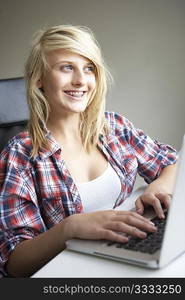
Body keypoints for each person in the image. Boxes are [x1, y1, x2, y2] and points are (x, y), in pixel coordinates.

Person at [0, 24, 177, 277]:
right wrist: (68, 228)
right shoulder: (20, 155)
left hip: (119, 255)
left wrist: (159, 186)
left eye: (89, 68)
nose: (81, 80)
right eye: (66, 67)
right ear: (39, 78)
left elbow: (171, 162)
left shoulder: (114, 127)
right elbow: (14, 264)